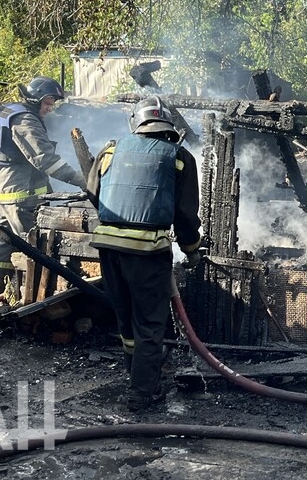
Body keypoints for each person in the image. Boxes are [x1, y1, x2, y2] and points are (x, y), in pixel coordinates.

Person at [86, 95, 202, 412]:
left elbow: (94, 193)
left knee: (127, 321)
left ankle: (136, 376)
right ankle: (143, 395)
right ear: (168, 125)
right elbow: (186, 216)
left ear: (136, 123)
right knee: (150, 324)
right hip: (148, 253)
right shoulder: (179, 157)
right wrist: (192, 251)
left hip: (108, 248)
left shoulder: (110, 151)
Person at [0, 76, 87, 304]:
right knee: (36, 247)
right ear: (34, 98)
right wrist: (82, 180)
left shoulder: (9, 111)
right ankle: (36, 303)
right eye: (47, 103)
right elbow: (45, 159)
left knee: (2, 241)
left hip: (3, 191)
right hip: (21, 195)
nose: (49, 108)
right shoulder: (25, 119)